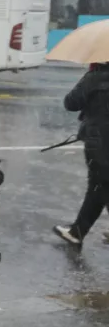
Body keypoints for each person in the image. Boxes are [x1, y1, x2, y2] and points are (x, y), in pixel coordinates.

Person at [54, 62, 109, 246]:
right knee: (102, 185)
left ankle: (77, 232)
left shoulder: (96, 76)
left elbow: (71, 103)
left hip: (99, 140)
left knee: (98, 186)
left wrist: (88, 78)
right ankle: (77, 232)